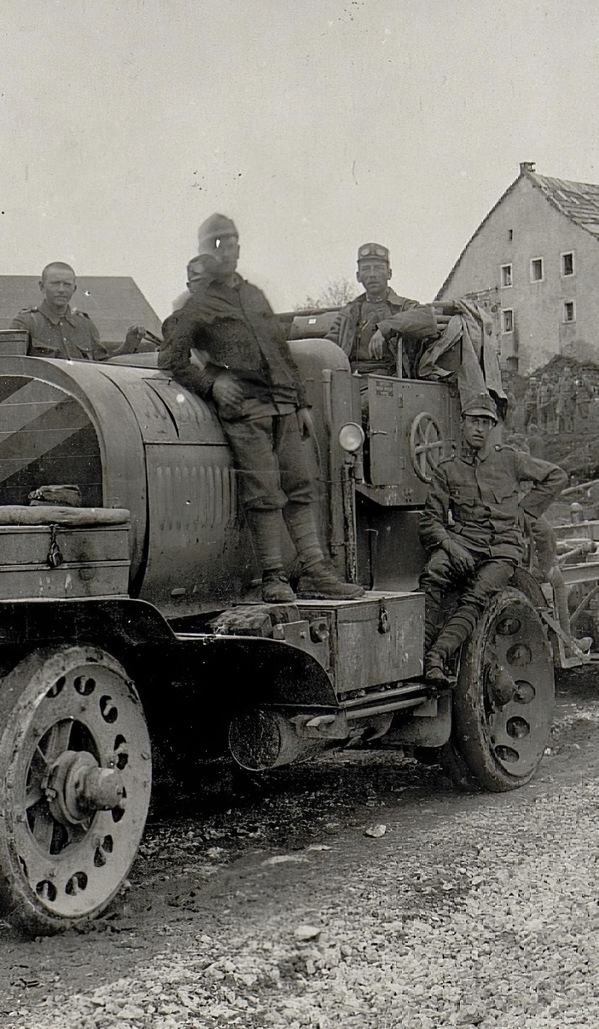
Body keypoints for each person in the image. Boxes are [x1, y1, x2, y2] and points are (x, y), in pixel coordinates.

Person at [158, 213, 364, 603]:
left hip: (283, 408)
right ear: (204, 250)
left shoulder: (254, 296)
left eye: (232, 240)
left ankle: (316, 573)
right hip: (246, 413)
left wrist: (300, 402)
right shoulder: (198, 304)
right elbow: (171, 359)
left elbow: (280, 348)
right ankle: (274, 578)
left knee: (301, 488)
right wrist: (213, 383)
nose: (228, 249)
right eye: (217, 242)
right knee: (264, 493)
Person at [418, 393, 568, 684]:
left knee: (478, 593)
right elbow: (430, 521)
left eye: (486, 423)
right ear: (462, 424)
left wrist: (526, 512)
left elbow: (556, 476)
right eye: (474, 422)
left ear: (493, 427)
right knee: (434, 572)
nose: (479, 429)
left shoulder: (509, 460)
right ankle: (418, 653)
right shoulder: (447, 469)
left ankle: (437, 656)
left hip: (503, 548)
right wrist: (450, 546)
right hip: (464, 543)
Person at [327, 243, 438, 375]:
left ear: (389, 274)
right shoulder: (349, 312)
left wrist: (384, 328)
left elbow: (427, 317)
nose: (372, 275)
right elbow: (329, 347)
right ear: (358, 276)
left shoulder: (402, 306)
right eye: (366, 269)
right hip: (352, 377)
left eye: (379, 268)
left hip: (391, 379)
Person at [14, 261, 150, 359]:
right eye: (55, 283)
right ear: (42, 287)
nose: (61, 289)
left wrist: (128, 345)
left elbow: (104, 366)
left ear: (74, 289)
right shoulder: (26, 322)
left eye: (67, 284)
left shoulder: (85, 325)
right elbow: (12, 367)